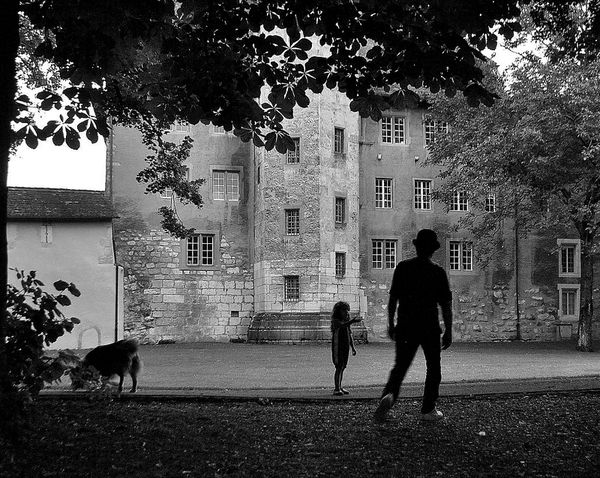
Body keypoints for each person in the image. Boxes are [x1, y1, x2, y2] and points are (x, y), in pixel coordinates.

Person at [373, 229, 453, 422]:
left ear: (417, 247)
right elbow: (446, 305)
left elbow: (393, 299)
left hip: (406, 326)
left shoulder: (403, 268)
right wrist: (449, 330)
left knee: (400, 367)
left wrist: (391, 324)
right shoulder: (437, 272)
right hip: (429, 327)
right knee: (433, 368)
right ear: (432, 250)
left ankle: (389, 397)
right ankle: (428, 409)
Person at [331, 301, 361, 396]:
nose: (346, 312)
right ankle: (336, 388)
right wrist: (352, 321)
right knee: (339, 367)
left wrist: (353, 347)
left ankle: (339, 386)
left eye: (347, 310)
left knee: (343, 367)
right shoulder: (336, 321)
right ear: (338, 311)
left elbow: (349, 334)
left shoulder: (346, 323)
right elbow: (341, 325)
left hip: (345, 346)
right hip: (338, 346)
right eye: (344, 310)